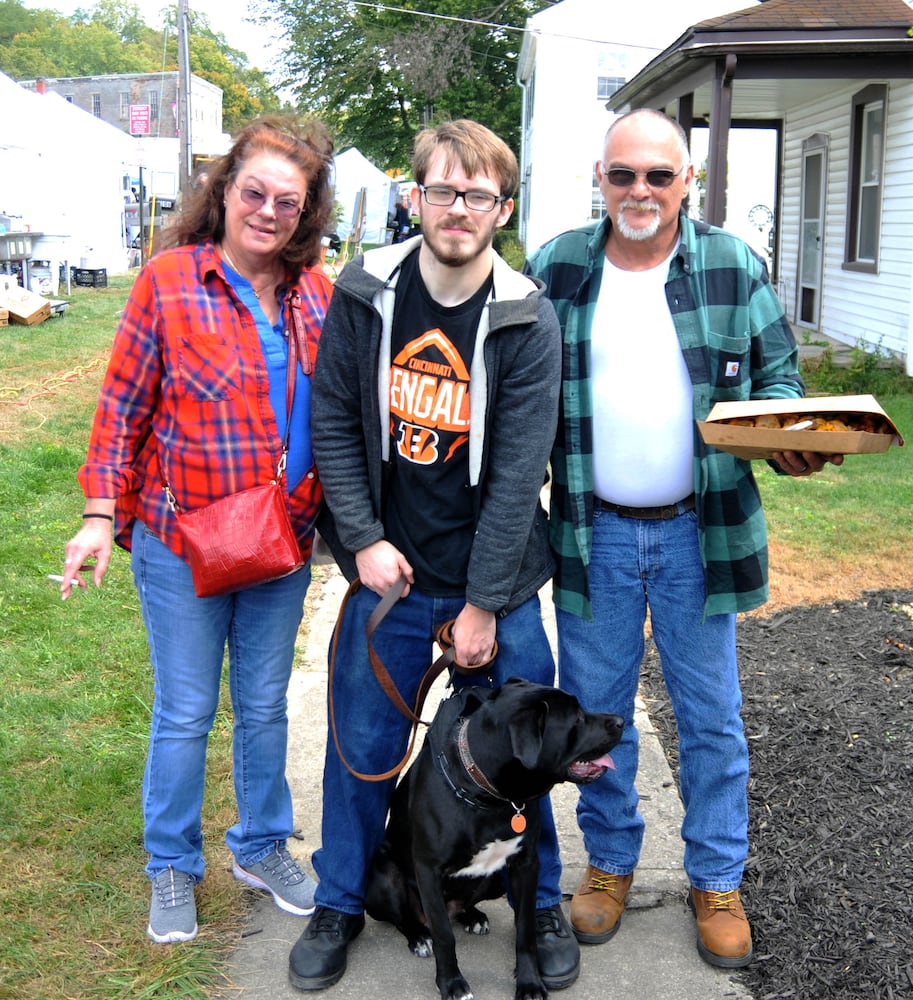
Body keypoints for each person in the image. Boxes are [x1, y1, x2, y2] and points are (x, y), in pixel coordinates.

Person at [525, 108, 844, 970]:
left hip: (699, 533)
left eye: (658, 176)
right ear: (600, 177)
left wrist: (790, 432)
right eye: (622, 174)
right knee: (596, 722)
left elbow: (778, 373)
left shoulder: (730, 264)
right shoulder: (557, 265)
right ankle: (611, 866)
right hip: (593, 537)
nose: (640, 191)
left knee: (711, 720)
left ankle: (715, 877)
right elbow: (514, 382)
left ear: (686, 182)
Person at [289, 119, 576, 992]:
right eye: (442, 190)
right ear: (415, 195)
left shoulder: (527, 317)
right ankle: (342, 898)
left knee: (531, 753)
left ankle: (544, 898)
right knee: (362, 746)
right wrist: (364, 543)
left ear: (502, 207)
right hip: (394, 579)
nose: (458, 209)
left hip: (498, 579)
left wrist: (484, 605)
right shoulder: (366, 290)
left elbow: (518, 472)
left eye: (477, 194)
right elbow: (334, 418)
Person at [59, 115, 336, 945]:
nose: (268, 211)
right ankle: (172, 865)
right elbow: (120, 411)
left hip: (282, 546)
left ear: (306, 213)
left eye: (288, 201)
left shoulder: (316, 291)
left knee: (262, 707)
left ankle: (259, 845)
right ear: (224, 193)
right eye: (254, 191)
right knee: (185, 711)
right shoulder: (170, 281)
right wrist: (101, 514)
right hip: (184, 544)